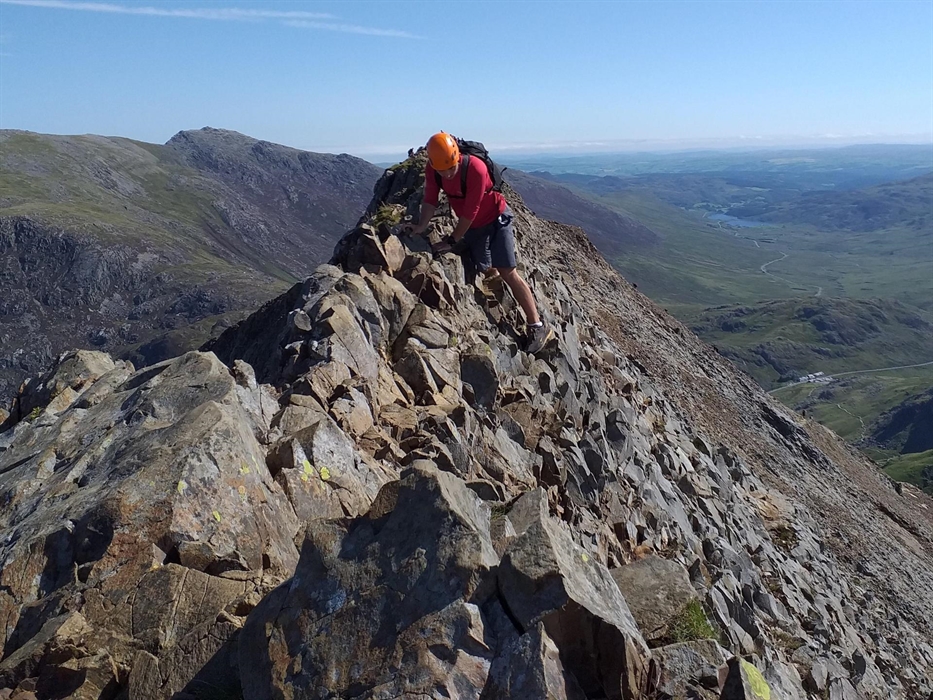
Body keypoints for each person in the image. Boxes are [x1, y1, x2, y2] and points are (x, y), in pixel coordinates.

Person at [406, 131, 554, 354]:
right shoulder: (433, 169)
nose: (446, 175)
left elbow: (471, 211)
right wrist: (421, 226)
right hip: (475, 228)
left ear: (457, 157)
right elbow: (430, 199)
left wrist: (452, 240)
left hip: (497, 219)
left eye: (450, 168)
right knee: (484, 268)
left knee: (508, 271)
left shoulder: (475, 168)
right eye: (441, 170)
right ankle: (501, 294)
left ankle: (537, 325)